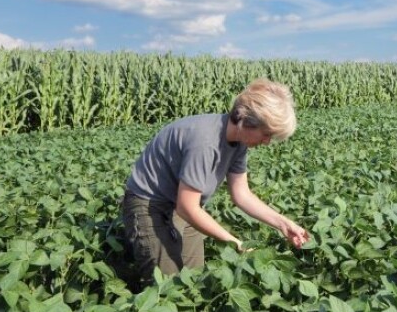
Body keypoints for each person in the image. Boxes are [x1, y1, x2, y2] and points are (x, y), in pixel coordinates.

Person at [121, 78, 310, 286]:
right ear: (246, 121)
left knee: (194, 280)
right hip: (150, 205)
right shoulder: (206, 142)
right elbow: (187, 207)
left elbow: (242, 194)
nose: (266, 142)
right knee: (167, 284)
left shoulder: (239, 142)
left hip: (184, 204)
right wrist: (235, 243)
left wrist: (283, 224)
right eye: (266, 134)